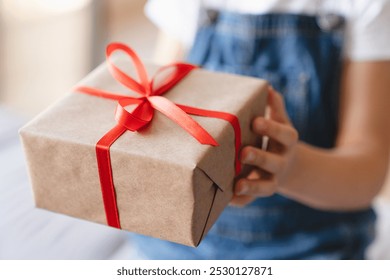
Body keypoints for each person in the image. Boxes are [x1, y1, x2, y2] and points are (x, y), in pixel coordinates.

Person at [130, 0, 390, 259]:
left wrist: (292, 168)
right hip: (178, 241)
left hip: (309, 244)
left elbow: (369, 173)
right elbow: (156, 106)